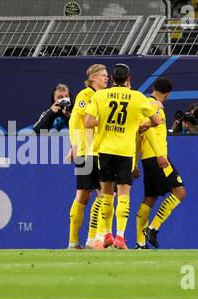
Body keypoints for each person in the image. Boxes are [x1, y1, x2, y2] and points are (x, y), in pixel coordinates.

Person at [84, 63, 161, 250]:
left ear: (112, 77)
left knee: (106, 194)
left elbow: (87, 122)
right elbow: (156, 121)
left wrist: (103, 121)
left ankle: (107, 235)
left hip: (105, 150)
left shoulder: (100, 95)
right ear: (128, 79)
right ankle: (120, 236)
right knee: (124, 194)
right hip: (125, 152)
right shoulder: (137, 97)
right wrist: (141, 124)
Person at [135, 77, 186, 249]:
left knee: (150, 198)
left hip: (147, 158)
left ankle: (140, 243)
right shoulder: (152, 106)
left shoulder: (146, 104)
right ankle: (153, 228)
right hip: (158, 158)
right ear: (168, 94)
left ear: (154, 87)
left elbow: (138, 135)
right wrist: (159, 155)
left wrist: (135, 162)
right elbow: (145, 129)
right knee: (180, 192)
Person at [66, 64, 111, 250]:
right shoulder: (86, 95)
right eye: (103, 75)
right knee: (104, 194)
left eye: (107, 75)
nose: (106, 78)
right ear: (92, 78)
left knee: (83, 196)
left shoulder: (98, 95)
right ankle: (96, 240)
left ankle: (74, 242)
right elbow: (87, 121)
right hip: (89, 152)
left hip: (87, 150)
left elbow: (76, 123)